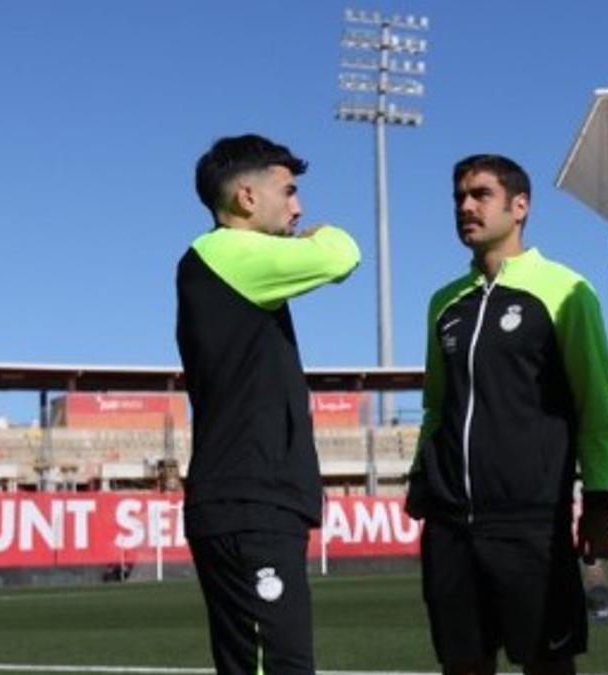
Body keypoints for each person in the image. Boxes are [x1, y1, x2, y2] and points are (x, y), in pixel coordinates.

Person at [405, 154, 608, 675]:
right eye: (459, 197)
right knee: (463, 665)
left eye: (480, 195)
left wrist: (596, 499)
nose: (465, 206)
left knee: (547, 664)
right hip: (451, 526)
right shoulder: (444, 304)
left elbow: (593, 403)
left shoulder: (566, 290)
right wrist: (420, 476)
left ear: (519, 206)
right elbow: (437, 402)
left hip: (531, 524)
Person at [176, 134, 360, 675]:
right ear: (247, 199)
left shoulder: (229, 262)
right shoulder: (229, 253)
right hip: (247, 500)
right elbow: (342, 254)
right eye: (289, 191)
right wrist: (320, 233)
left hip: (251, 500)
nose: (299, 207)